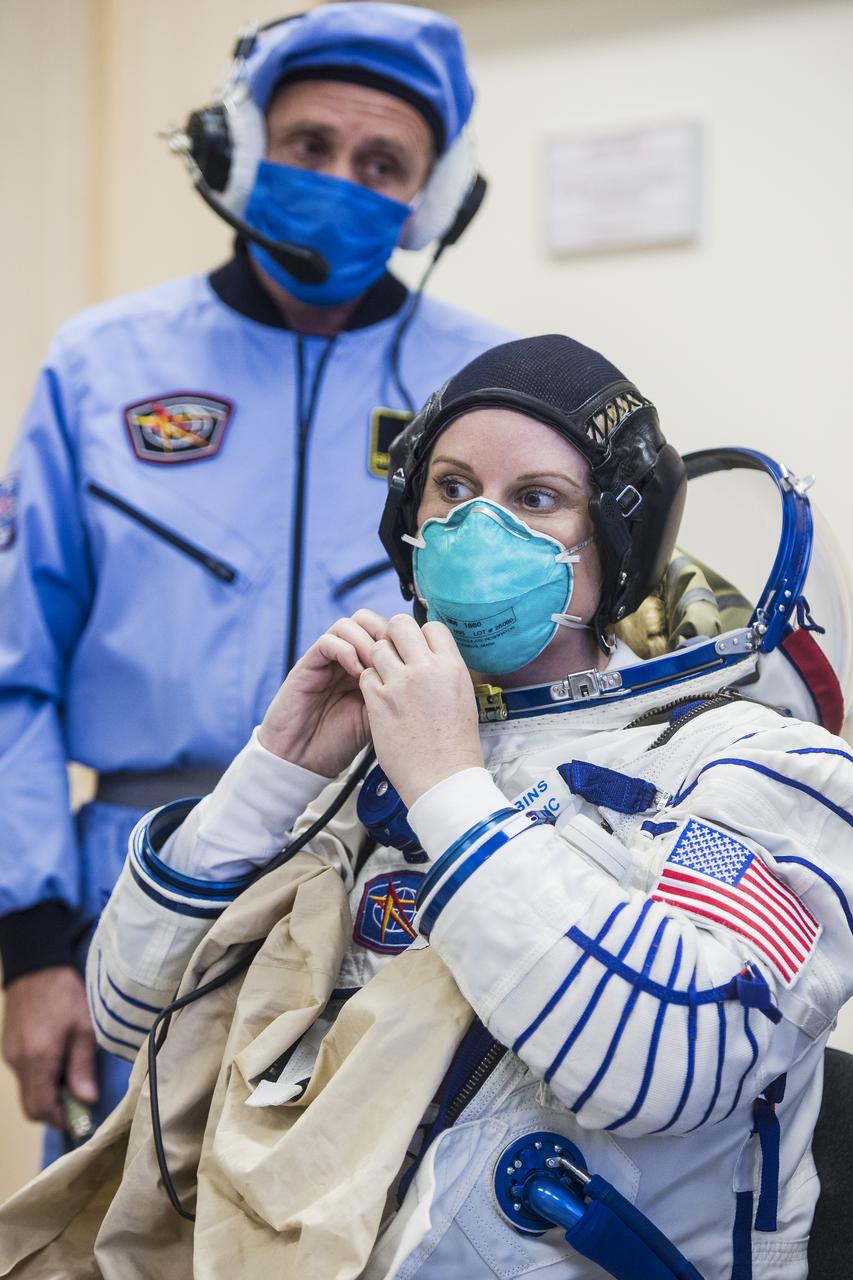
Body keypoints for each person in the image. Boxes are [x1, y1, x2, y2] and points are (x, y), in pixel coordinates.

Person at [63, 334, 851, 1279]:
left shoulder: (763, 769)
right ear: (409, 512)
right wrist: (274, 772)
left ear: (617, 537)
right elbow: (128, 1012)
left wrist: (448, 792)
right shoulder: (376, 748)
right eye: (451, 487)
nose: (478, 527)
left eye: (536, 499)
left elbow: (668, 1062)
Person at [0, 2, 511, 1153]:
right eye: (309, 145)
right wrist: (29, 949)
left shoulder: (483, 385)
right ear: (241, 151)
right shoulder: (100, 365)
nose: (342, 178)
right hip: (137, 891)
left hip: (388, 901)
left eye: (384, 161)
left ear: (435, 197)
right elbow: (10, 676)